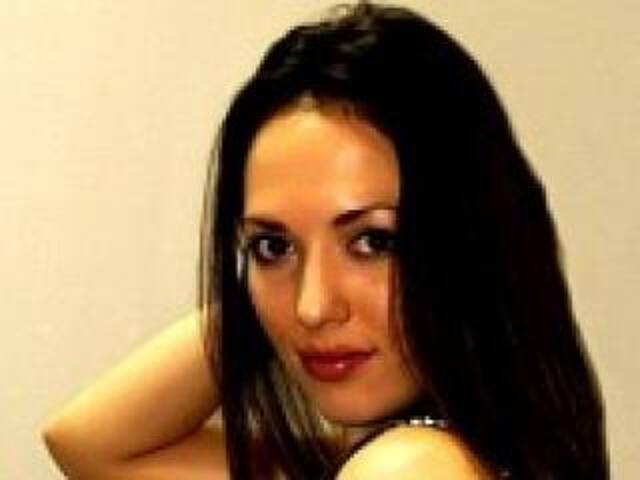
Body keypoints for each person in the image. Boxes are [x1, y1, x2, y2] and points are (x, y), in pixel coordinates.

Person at [42, 2, 610, 479]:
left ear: (470, 248)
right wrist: (263, 312)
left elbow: (97, 448)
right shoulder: (457, 456)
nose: (312, 306)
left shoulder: (407, 467)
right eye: (273, 247)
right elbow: (91, 444)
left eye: (373, 243)